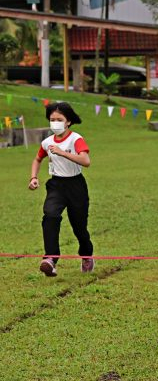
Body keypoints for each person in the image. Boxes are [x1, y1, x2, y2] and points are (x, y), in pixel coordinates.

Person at [28, 102, 94, 276]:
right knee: (50, 215)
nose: (55, 123)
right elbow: (37, 159)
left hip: (76, 186)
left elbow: (86, 161)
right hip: (56, 185)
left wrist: (62, 152)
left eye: (59, 119)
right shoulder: (46, 142)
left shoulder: (76, 139)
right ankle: (50, 259)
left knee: (79, 226)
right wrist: (33, 177)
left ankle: (86, 255)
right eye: (52, 119)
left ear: (68, 122)